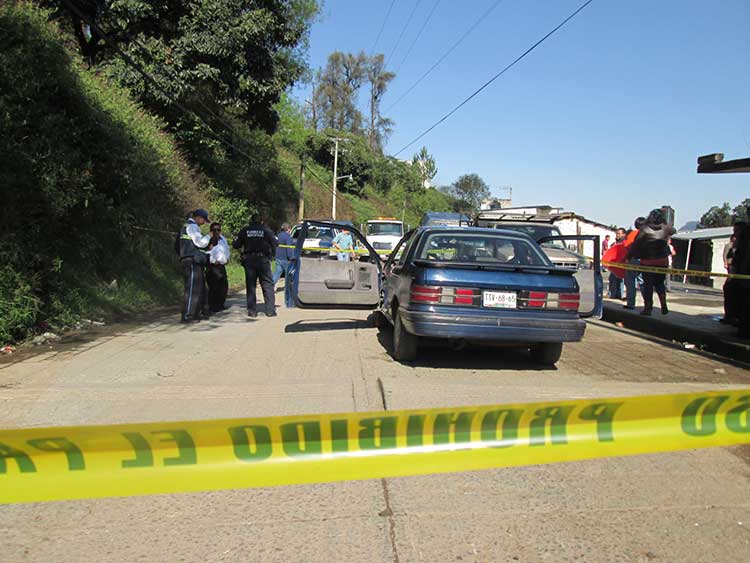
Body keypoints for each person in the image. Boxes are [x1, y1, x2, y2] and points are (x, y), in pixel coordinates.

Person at [627, 209, 676, 316]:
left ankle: (648, 308)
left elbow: (636, 244)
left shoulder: (645, 229)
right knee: (660, 283)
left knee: (648, 285)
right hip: (663, 260)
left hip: (648, 260)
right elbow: (673, 230)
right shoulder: (666, 228)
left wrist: (629, 256)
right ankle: (664, 305)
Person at [233, 213, 277, 317]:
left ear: (251, 221)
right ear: (261, 221)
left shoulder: (245, 230)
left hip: (249, 260)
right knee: (267, 285)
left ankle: (252, 311)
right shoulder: (266, 230)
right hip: (263, 260)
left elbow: (236, 244)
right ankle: (270, 310)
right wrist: (272, 256)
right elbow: (275, 243)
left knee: (251, 285)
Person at [178, 209, 211, 323]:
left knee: (198, 288)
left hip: (188, 259)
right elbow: (200, 242)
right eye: (203, 220)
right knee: (192, 289)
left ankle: (195, 314)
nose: (203, 223)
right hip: (191, 261)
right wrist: (209, 236)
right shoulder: (192, 226)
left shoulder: (186, 227)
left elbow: (177, 245)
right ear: (198, 217)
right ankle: (188, 316)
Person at [206, 222, 230, 313]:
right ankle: (212, 306)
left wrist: (227, 258)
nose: (216, 231)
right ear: (211, 231)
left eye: (218, 229)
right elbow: (207, 253)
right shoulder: (208, 240)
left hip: (222, 265)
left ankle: (220, 304)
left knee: (224, 286)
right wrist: (213, 261)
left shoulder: (223, 239)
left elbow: (227, 249)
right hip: (213, 266)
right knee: (214, 287)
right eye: (214, 230)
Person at [623, 218, 646, 309]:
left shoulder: (633, 234)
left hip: (633, 259)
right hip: (645, 260)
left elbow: (627, 246)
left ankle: (631, 304)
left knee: (631, 281)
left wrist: (627, 258)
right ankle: (648, 304)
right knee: (643, 282)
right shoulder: (649, 234)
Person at [273, 223, 294, 287]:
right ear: (288, 229)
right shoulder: (288, 237)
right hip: (285, 259)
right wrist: (291, 257)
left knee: (277, 273)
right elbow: (289, 248)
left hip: (278, 257)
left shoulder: (279, 235)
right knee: (289, 274)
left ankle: (270, 285)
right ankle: (291, 288)